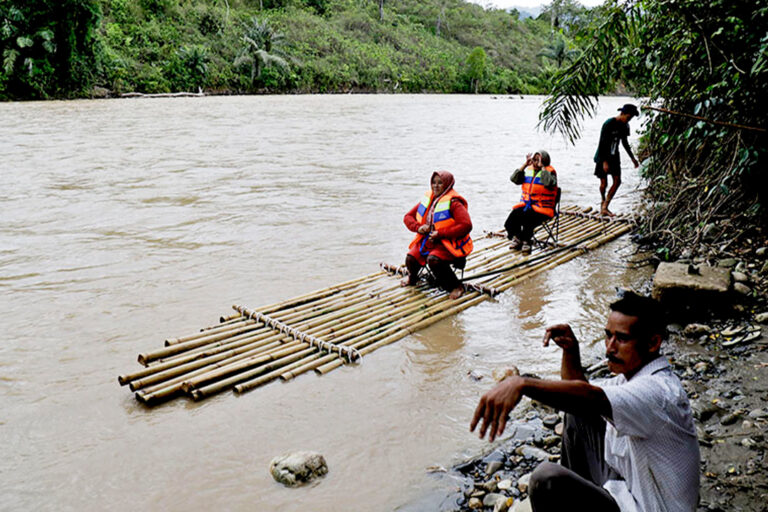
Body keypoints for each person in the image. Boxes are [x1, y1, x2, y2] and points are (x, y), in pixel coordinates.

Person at [470, 291, 700, 512]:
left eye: (621, 338)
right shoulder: (629, 380)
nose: (609, 347)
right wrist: (571, 350)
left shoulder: (658, 392)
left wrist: (522, 384)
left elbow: (592, 397)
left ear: (652, 343)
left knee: (546, 478)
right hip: (627, 490)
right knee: (577, 412)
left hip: (648, 507)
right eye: (608, 335)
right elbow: (581, 397)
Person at [401, 170, 473, 300]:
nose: (436, 186)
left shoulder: (454, 203)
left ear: (448, 185)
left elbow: (466, 225)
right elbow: (407, 217)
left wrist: (441, 233)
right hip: (429, 240)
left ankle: (456, 286)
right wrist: (419, 228)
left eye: (440, 183)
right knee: (411, 258)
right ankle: (413, 277)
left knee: (433, 260)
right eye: (433, 182)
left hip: (448, 243)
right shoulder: (429, 199)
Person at [504, 150, 558, 254]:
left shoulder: (550, 173)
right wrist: (524, 165)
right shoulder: (528, 170)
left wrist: (542, 168)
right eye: (534, 160)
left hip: (543, 209)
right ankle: (518, 238)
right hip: (527, 206)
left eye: (538, 160)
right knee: (511, 220)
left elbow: (548, 183)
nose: (535, 162)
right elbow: (514, 179)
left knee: (528, 220)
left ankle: (526, 242)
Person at [594, 104, 640, 217]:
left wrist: (633, 158)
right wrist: (604, 161)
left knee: (617, 181)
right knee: (604, 183)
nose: (628, 120)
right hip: (602, 155)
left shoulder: (625, 126)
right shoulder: (609, 123)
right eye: (628, 117)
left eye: (630, 119)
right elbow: (602, 143)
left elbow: (625, 143)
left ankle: (605, 206)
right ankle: (602, 201)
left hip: (614, 156)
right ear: (622, 114)